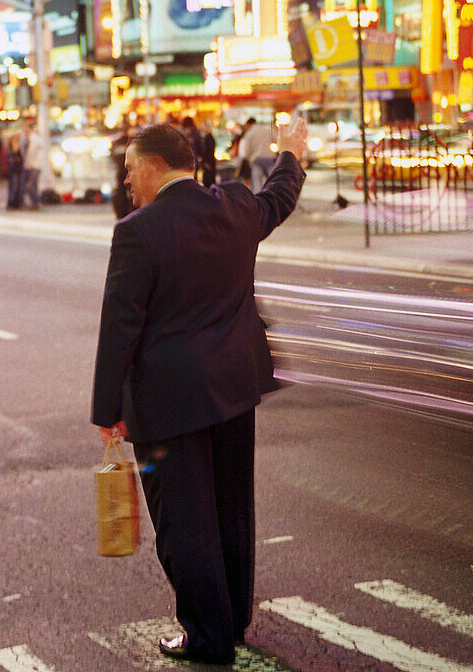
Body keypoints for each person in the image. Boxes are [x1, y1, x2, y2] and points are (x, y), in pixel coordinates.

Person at [91, 117, 308, 666]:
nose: (126, 181)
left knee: (184, 526)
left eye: (131, 168)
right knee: (231, 510)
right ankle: (231, 620)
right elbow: (278, 199)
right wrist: (290, 155)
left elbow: (120, 326)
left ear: (157, 165)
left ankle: (208, 639)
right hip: (234, 389)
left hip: (169, 406)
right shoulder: (234, 206)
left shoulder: (138, 232)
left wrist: (107, 409)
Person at [236, 117, 277, 192]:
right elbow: (276, 139)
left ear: (248, 124)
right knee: (272, 182)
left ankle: (258, 202)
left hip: (256, 160)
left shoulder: (250, 132)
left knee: (257, 184)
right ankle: (273, 199)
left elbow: (246, 149)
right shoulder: (267, 129)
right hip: (269, 158)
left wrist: (247, 158)